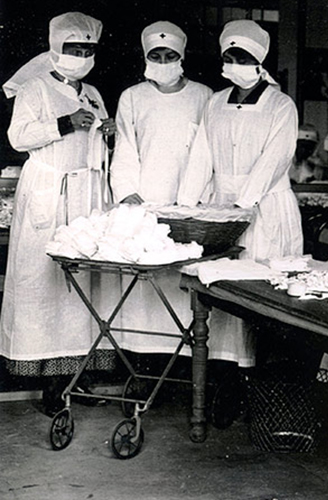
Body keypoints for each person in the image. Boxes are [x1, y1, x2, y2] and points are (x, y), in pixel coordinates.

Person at [1, 12, 115, 414]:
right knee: (46, 288)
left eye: (88, 50)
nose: (81, 56)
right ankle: (52, 386)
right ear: (55, 51)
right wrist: (65, 123)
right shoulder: (35, 88)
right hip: (49, 193)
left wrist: (107, 133)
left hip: (86, 195)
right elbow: (19, 137)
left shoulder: (95, 92)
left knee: (83, 293)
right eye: (73, 49)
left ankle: (80, 379)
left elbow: (96, 139)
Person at [177, 20, 302, 368]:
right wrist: (187, 206)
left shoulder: (280, 105)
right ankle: (227, 374)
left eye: (243, 58)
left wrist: (242, 204)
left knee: (261, 290)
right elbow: (201, 156)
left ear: (260, 63)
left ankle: (261, 375)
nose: (235, 64)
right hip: (221, 209)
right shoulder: (215, 103)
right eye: (230, 57)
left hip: (265, 208)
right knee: (222, 292)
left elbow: (275, 158)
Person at [103, 21, 214, 359]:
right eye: (156, 55)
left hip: (187, 201)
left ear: (182, 57)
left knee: (181, 286)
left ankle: (180, 363)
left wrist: (193, 198)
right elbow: (124, 148)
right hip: (143, 201)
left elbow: (206, 152)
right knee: (143, 288)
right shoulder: (133, 97)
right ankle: (140, 361)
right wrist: (127, 192)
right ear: (145, 57)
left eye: (170, 56)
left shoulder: (203, 96)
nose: (163, 61)